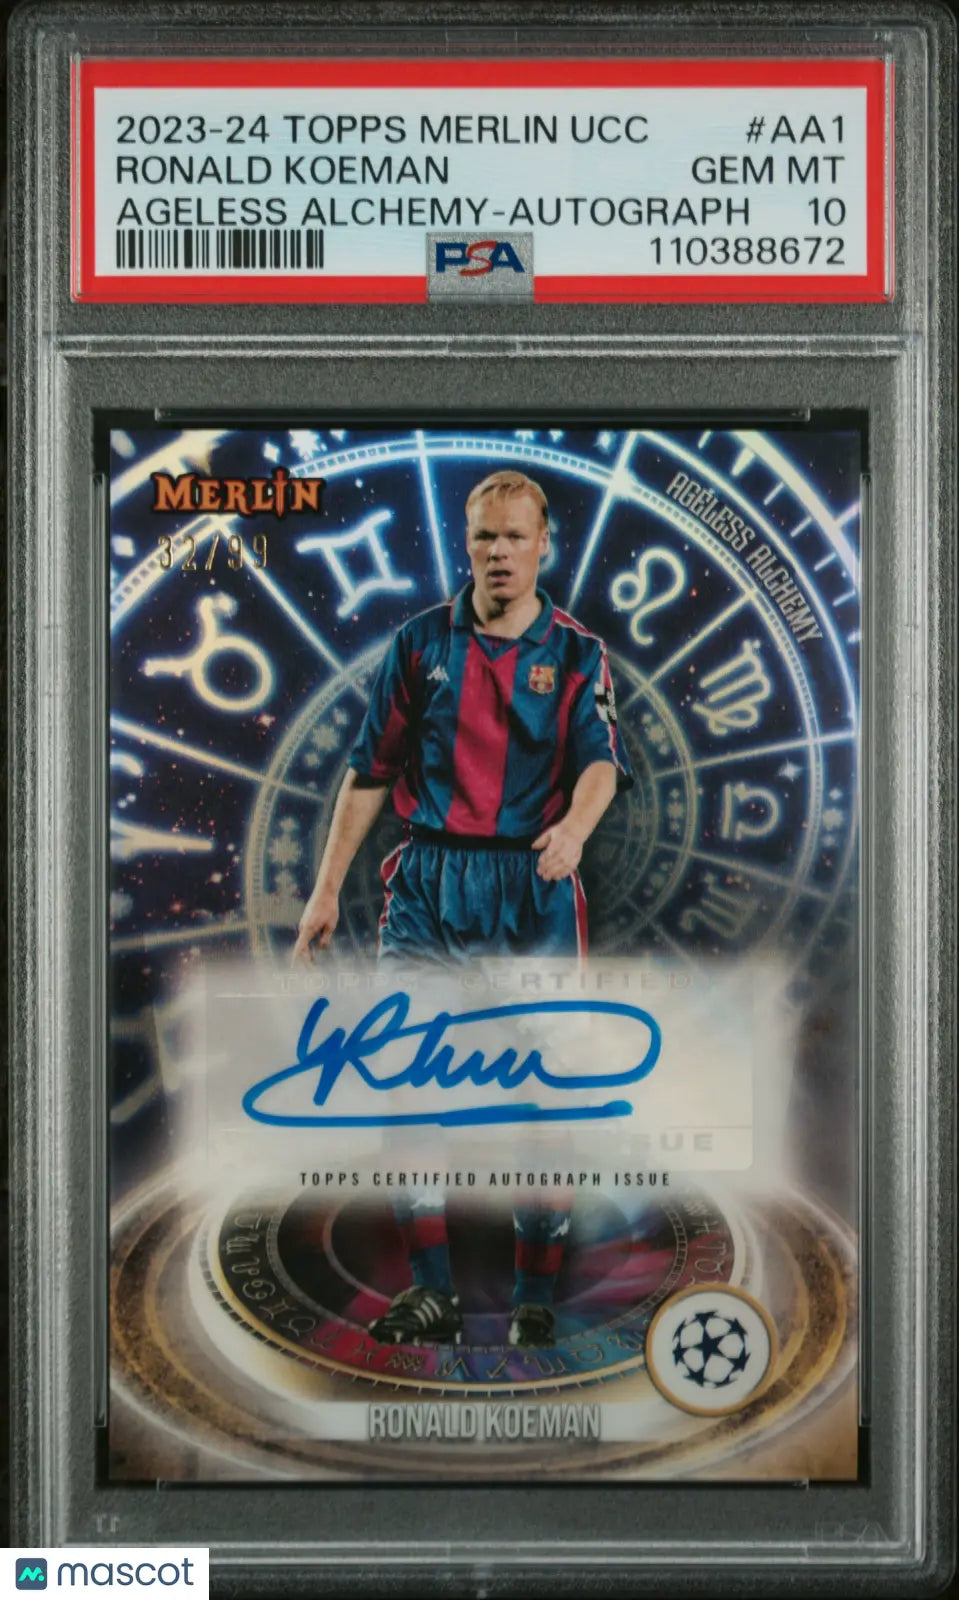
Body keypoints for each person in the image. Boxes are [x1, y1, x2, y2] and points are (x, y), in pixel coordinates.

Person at [292, 469, 632, 1347]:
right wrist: (325, 890)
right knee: (408, 1083)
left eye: (516, 536)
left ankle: (533, 1296)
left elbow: (599, 761)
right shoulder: (418, 645)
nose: (499, 552)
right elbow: (369, 771)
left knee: (544, 1099)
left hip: (532, 891)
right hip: (428, 888)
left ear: (543, 545)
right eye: (485, 536)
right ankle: (432, 1292)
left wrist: (574, 829)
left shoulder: (577, 653)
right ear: (466, 543)